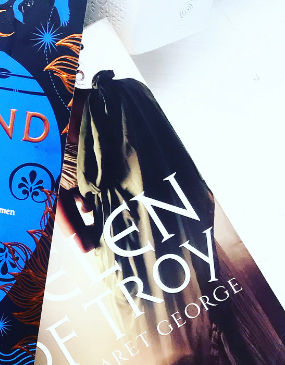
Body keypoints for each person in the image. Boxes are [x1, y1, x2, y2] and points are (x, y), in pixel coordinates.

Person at [55, 71, 285, 365]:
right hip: (181, 231)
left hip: (127, 258)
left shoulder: (37, 143)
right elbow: (186, 173)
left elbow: (84, 243)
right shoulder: (127, 92)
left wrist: (86, 200)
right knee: (217, 319)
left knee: (170, 344)